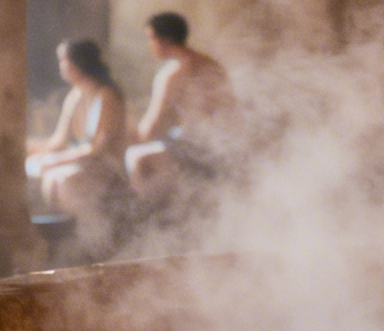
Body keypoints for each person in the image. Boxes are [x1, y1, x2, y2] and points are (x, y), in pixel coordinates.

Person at [125, 12, 236, 198]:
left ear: (165, 40)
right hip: (223, 146)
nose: (150, 45)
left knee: (136, 156)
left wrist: (131, 135)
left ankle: (147, 217)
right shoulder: (212, 64)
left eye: (151, 38)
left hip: (200, 151)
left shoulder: (173, 74)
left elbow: (152, 127)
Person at [28, 39, 128, 221]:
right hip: (85, 163)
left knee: (61, 180)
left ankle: (82, 234)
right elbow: (58, 142)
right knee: (37, 171)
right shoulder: (74, 95)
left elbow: (97, 148)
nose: (61, 66)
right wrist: (26, 148)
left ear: (80, 62)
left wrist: (56, 160)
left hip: (107, 168)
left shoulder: (106, 95)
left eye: (64, 60)